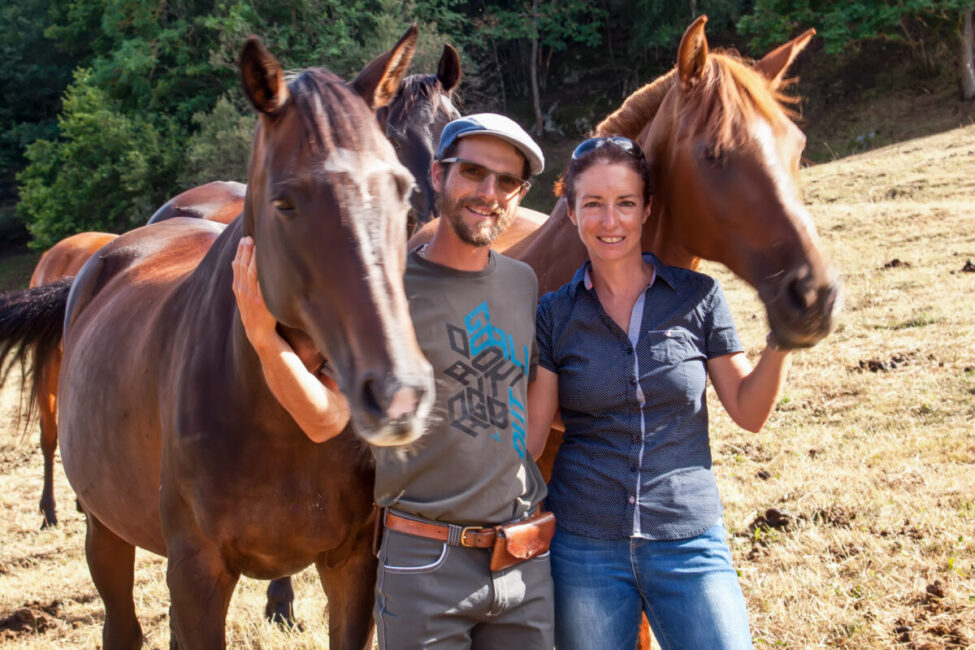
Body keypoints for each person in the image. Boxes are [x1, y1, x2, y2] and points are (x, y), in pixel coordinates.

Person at [232, 113, 555, 649]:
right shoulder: (386, 291)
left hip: (522, 566)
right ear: (437, 174)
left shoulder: (523, 284)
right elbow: (324, 420)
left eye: (507, 182)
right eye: (473, 172)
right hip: (427, 565)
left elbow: (528, 423)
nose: (489, 193)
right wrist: (265, 340)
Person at [526, 136, 792, 650]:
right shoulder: (554, 314)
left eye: (625, 203)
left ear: (647, 208)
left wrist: (781, 341)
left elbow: (749, 411)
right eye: (594, 205)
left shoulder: (698, 298)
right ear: (570, 210)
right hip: (585, 545)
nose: (611, 222)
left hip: (688, 538)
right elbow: (533, 438)